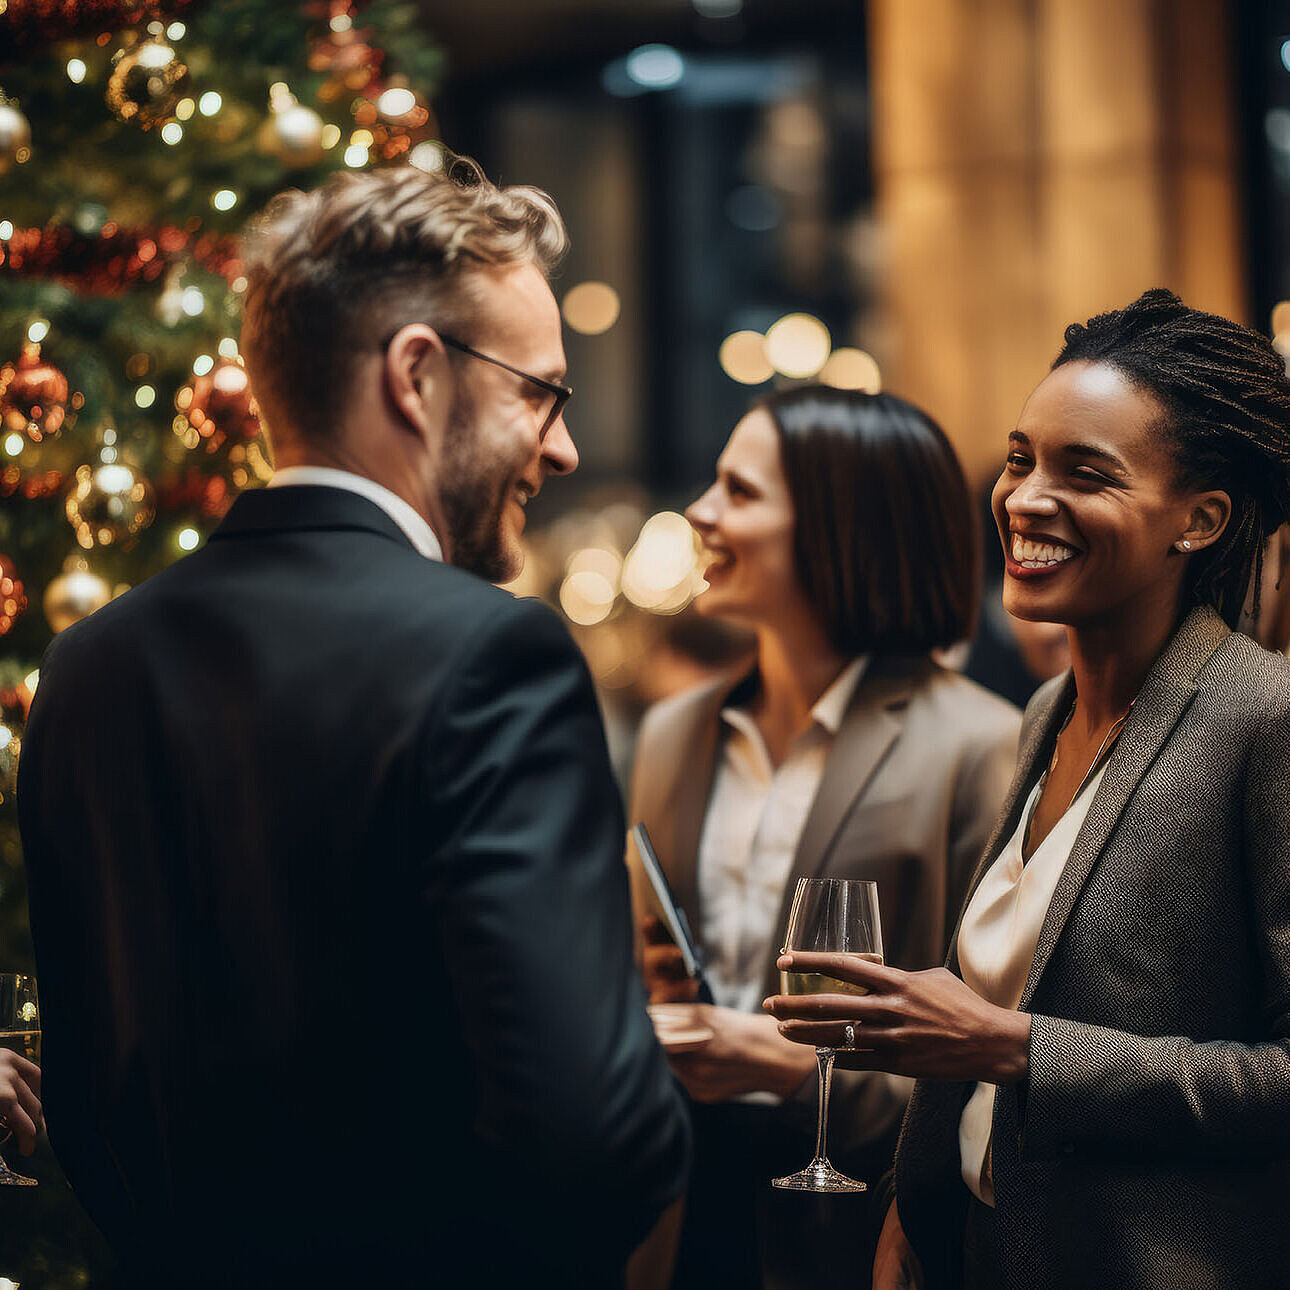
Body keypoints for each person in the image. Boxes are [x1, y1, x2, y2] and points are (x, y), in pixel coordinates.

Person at [18, 160, 689, 1288]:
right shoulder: (492, 654)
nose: (562, 446)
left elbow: (89, 1105)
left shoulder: (88, 665)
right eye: (540, 390)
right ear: (418, 376)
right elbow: (590, 1140)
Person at [767, 289, 1290, 1290]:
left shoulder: (1263, 719)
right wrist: (911, 1210)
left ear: (1202, 520)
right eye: (1020, 460)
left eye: (1085, 474)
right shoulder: (1046, 712)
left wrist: (1015, 1048)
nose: (1025, 498)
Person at [628, 386, 1020, 1288]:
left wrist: (794, 1071)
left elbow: (987, 1069)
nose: (700, 511)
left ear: (843, 525)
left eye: (740, 490)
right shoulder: (674, 731)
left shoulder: (978, 746)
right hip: (682, 1213)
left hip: (859, 1234)